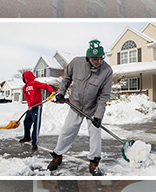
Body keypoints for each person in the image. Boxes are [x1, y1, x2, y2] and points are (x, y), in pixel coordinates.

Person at [48, 39, 114, 175]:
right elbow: (66, 78)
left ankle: (94, 162)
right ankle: (57, 156)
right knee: (67, 131)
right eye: (95, 59)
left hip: (93, 107)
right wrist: (61, 93)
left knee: (95, 134)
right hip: (76, 104)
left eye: (100, 58)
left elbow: (104, 95)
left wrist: (98, 116)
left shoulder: (107, 71)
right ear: (88, 57)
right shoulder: (76, 63)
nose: (98, 61)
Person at [19, 71, 54, 151]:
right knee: (26, 122)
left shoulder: (35, 83)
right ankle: (27, 137)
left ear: (26, 77)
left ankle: (35, 142)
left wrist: (52, 91)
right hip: (31, 107)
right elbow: (27, 97)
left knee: (36, 124)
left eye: (23, 77)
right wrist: (29, 105)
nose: (23, 79)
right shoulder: (25, 87)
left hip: (37, 107)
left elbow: (45, 86)